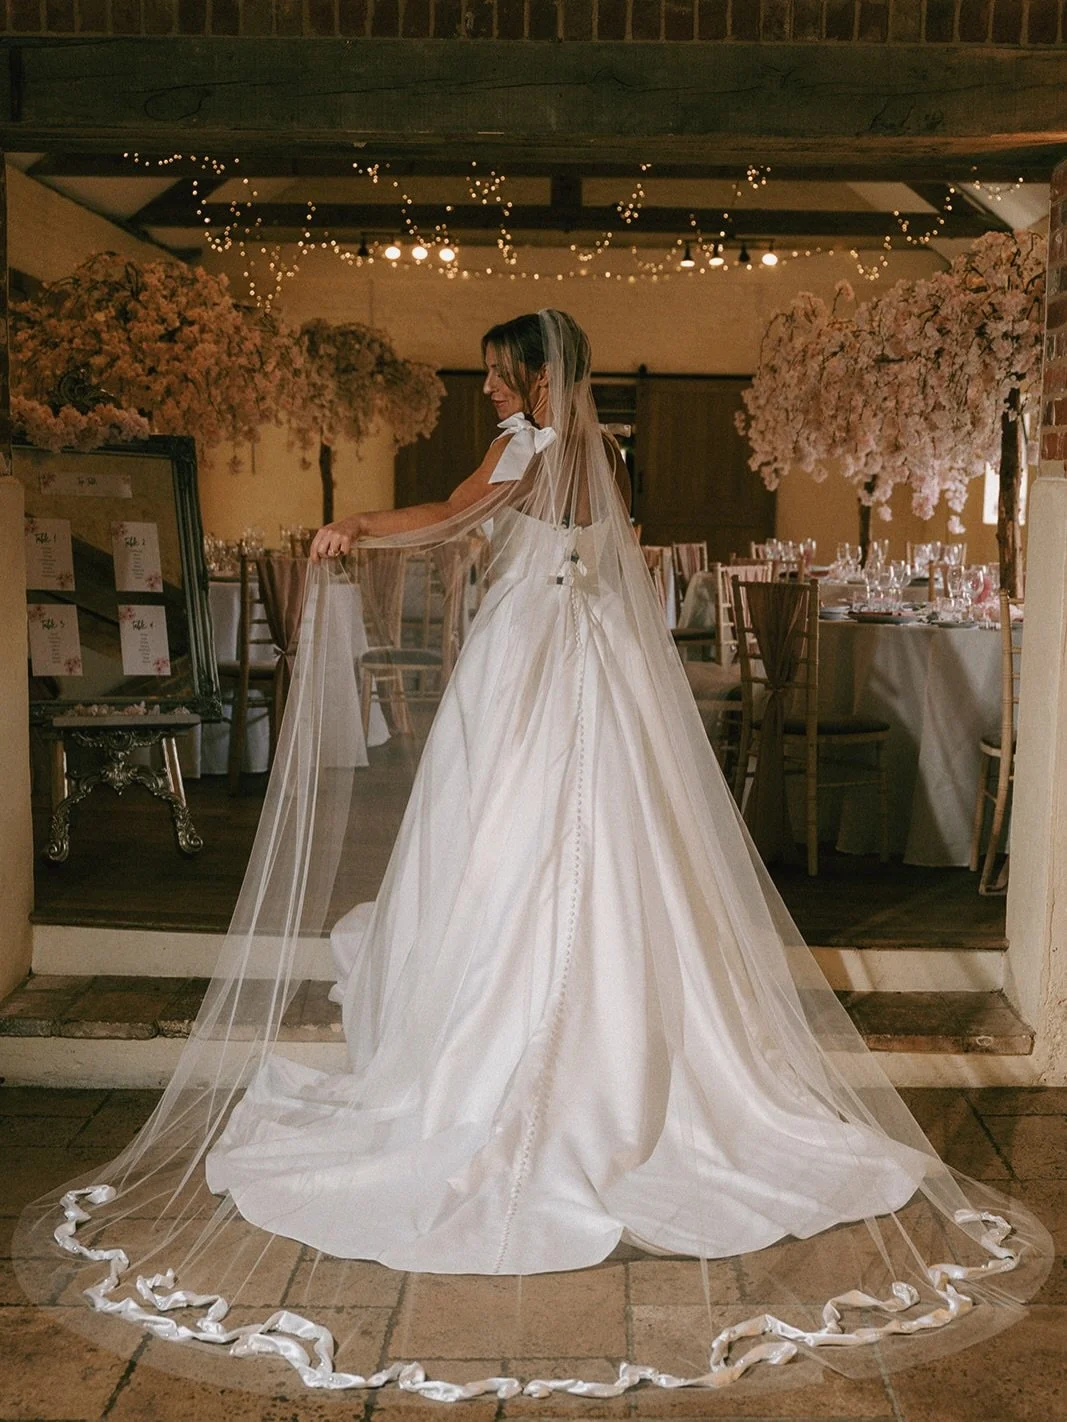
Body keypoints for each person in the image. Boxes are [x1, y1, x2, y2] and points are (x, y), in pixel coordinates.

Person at [17, 310, 1052, 1402]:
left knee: (506, 827)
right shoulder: (592, 450)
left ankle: (516, 1050)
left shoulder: (535, 448)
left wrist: (356, 524)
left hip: (528, 657)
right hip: (581, 651)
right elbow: (528, 528)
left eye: (501, 377)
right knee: (591, 835)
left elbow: (454, 513)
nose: (490, 394)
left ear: (537, 374)